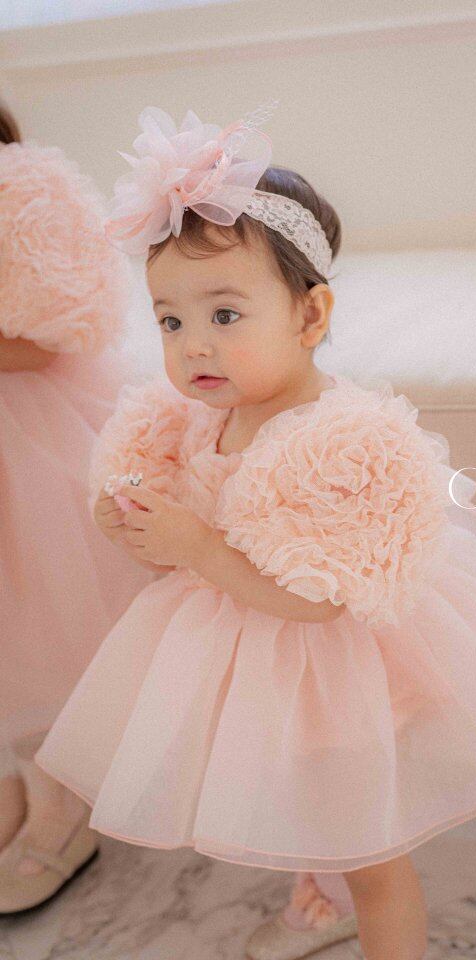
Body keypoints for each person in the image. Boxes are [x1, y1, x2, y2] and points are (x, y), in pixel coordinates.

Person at [34, 102, 476, 960]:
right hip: (248, 652)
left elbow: (317, 605)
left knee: (367, 845)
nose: (192, 346)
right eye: (170, 320)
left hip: (333, 664)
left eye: (225, 315)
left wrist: (198, 547)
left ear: (310, 317)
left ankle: (379, 924)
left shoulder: (342, 443)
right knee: (299, 801)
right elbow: (169, 517)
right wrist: (136, 522)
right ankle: (320, 895)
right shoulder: (194, 417)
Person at [0, 101, 157, 913]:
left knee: (39, 627)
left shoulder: (23, 189)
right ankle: (14, 788)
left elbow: (66, 332)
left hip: (28, 427)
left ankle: (60, 803)